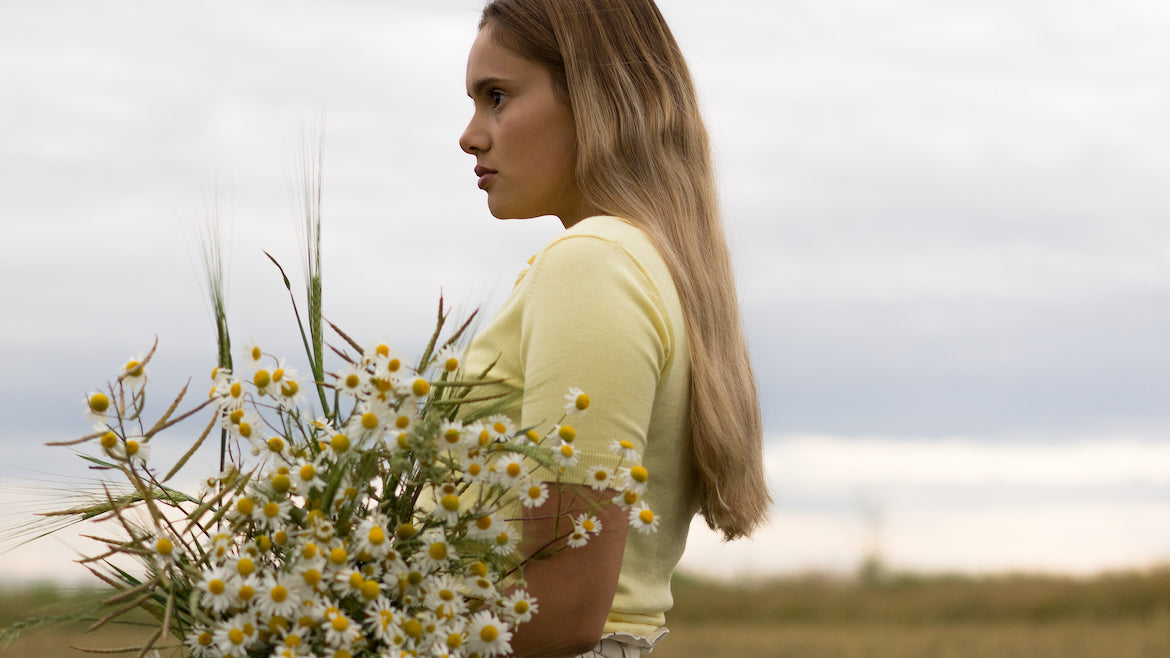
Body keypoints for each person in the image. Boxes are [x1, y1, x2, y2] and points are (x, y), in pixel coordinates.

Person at [457, 1, 770, 656]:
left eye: (497, 97)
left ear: (594, 98)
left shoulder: (593, 264)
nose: (471, 135)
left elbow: (564, 607)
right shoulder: (647, 264)